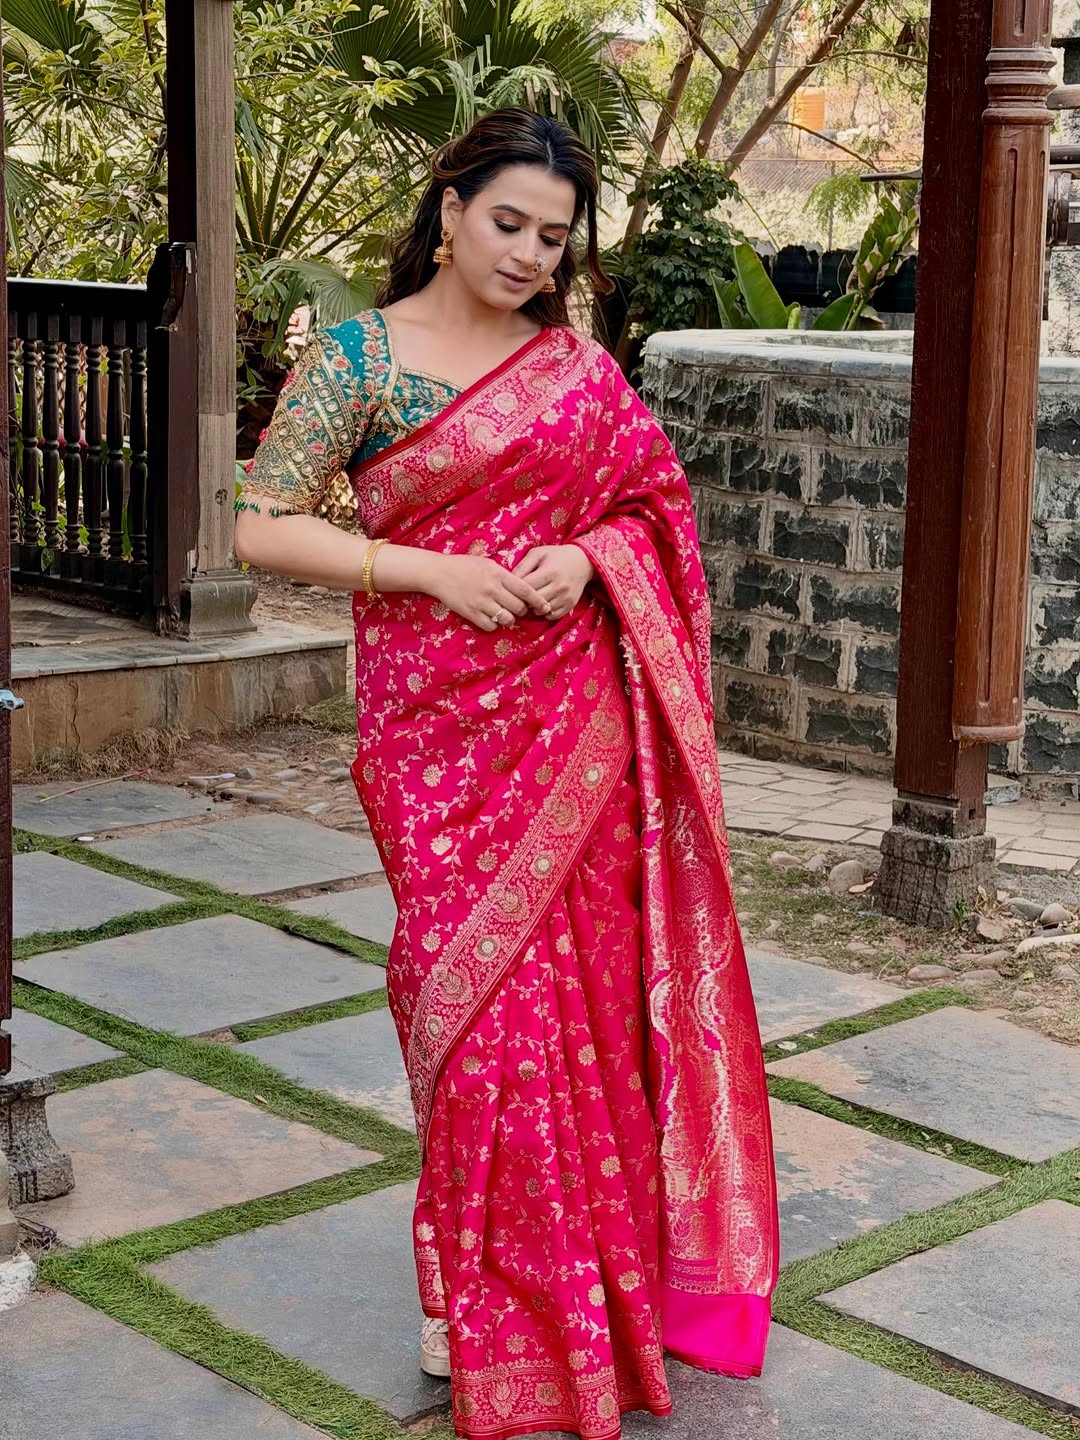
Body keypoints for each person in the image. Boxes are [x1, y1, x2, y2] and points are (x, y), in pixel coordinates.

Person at [235, 106, 778, 1440]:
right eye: (508, 221)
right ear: (450, 204)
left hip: (571, 725)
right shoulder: (358, 361)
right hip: (431, 735)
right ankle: (470, 1278)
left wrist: (591, 559)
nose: (530, 252)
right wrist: (435, 571)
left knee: (581, 1006)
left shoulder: (573, 369)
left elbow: (651, 503)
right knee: (461, 1003)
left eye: (553, 234)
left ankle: (573, 1292)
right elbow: (262, 527)